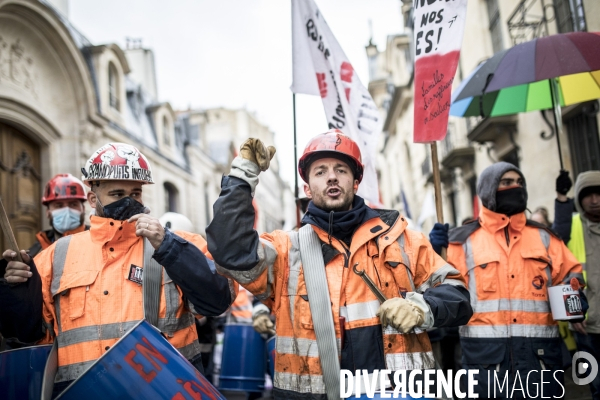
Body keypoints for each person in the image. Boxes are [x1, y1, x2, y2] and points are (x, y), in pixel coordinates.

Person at [206, 130, 473, 399]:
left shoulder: (403, 240)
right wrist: (242, 176)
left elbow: (458, 295)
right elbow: (230, 251)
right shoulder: (287, 250)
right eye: (320, 171)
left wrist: (421, 307)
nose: (332, 176)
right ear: (307, 188)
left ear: (356, 182)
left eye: (341, 169)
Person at [1, 143, 236, 397]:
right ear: (93, 199)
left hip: (163, 391)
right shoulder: (56, 256)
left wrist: (170, 247)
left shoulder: (175, 244)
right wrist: (15, 293)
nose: (128, 201)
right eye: (116, 194)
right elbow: (29, 337)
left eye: (135, 194)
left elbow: (218, 300)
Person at [429, 162, 585, 398]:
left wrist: (575, 305)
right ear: (488, 189)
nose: (516, 187)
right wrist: (433, 251)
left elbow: (571, 275)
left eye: (519, 183)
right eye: (506, 183)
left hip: (540, 362)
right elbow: (434, 287)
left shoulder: (544, 237)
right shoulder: (461, 242)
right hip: (486, 366)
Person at [552, 170, 600, 399]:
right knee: (596, 386)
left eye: (598, 194)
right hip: (587, 327)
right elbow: (560, 270)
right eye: (588, 195)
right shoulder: (571, 226)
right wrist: (574, 315)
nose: (595, 200)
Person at [29, 174, 89, 258]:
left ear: (83, 208)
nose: (67, 211)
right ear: (48, 212)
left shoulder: (99, 241)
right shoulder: (36, 251)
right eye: (59, 205)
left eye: (73, 204)